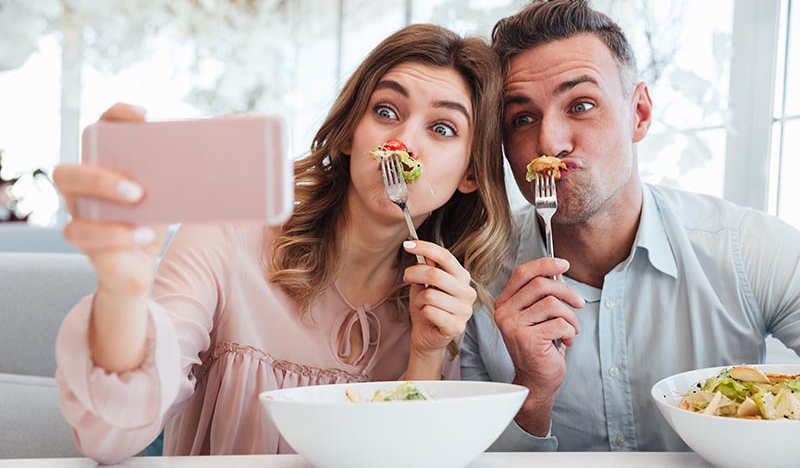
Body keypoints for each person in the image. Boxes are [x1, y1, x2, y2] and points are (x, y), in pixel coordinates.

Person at [53, 23, 512, 464]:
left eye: (442, 129)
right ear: (352, 132)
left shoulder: (444, 301)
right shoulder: (227, 232)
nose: (402, 142)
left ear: (471, 173)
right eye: (386, 111)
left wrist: (428, 353)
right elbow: (110, 437)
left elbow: (413, 457)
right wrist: (123, 291)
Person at [461, 0, 800, 452]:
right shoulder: (473, 285)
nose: (550, 142)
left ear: (639, 113)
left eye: (581, 105)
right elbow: (465, 458)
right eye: (522, 118)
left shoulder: (749, 250)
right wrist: (532, 393)